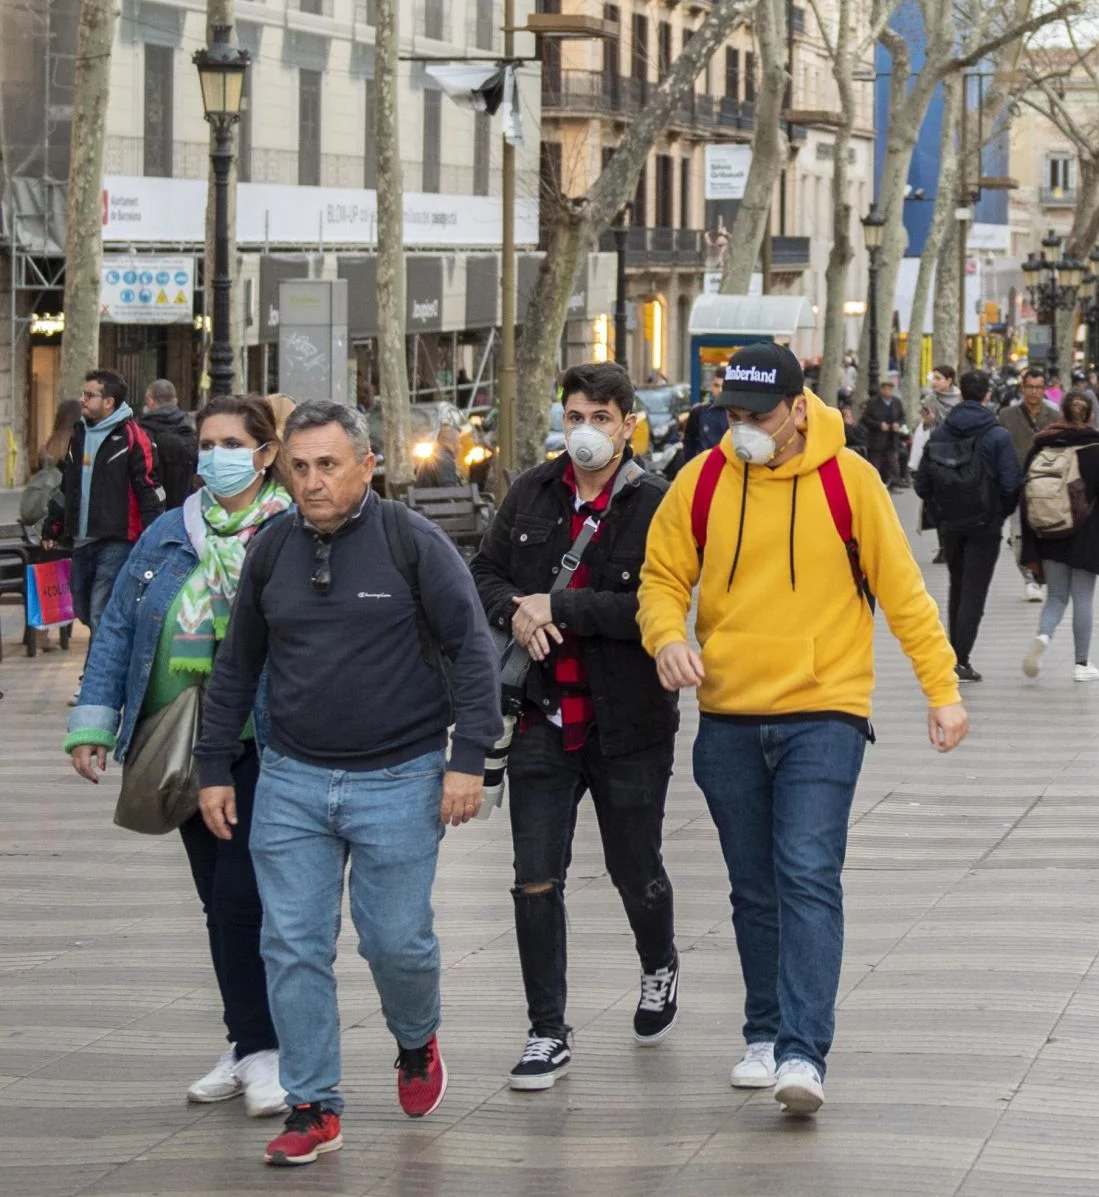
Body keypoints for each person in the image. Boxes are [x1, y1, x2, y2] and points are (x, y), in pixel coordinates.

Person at [638, 341, 966, 1116]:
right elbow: (661, 578)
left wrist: (941, 689)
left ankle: (802, 1051)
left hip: (827, 708)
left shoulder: (850, 480)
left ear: (796, 408)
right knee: (754, 887)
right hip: (728, 713)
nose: (742, 428)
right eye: (732, 415)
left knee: (807, 872)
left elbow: (904, 592)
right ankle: (764, 1029)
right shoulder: (704, 478)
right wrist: (668, 638)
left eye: (757, 415)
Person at [192, 400, 502, 1166]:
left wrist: (470, 758)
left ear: (367, 464)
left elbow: (472, 651)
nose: (312, 480)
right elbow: (237, 666)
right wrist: (211, 767)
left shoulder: (412, 542)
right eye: (299, 466)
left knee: (396, 941)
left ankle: (414, 1039)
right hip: (293, 777)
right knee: (292, 943)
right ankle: (312, 1103)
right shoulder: (271, 550)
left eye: (328, 464)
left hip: (400, 775)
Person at [67, 394, 295, 1117]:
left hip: (262, 743)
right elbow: (118, 632)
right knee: (216, 903)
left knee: (240, 897)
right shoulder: (170, 532)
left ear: (264, 453)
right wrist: (93, 724)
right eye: (205, 442)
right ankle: (246, 1040)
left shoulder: (290, 532)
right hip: (179, 742)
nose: (214, 455)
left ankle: (266, 1049)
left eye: (232, 441)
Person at [471, 363, 679, 1092]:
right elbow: (486, 573)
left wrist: (560, 608)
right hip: (540, 717)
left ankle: (659, 963)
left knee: (635, 870)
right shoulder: (531, 491)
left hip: (628, 721)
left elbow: (663, 606)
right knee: (534, 877)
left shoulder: (658, 502)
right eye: (574, 415)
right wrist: (516, 611)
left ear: (628, 423)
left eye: (599, 416)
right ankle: (546, 1029)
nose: (583, 429)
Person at [1017, 391, 1099, 681]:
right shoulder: (1098, 450)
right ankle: (1081, 664)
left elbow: (1025, 494)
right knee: (1083, 598)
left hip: (1050, 533)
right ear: (1092, 416)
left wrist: (1027, 544)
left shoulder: (1042, 445)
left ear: (1061, 413)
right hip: (1088, 537)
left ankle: (1042, 636)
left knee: (1056, 596)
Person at [915, 369, 1024, 681]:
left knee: (957, 586)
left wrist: (941, 510)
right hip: (985, 526)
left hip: (950, 524)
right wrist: (999, 514)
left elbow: (922, 484)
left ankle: (955, 655)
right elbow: (1010, 483)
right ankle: (961, 658)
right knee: (974, 591)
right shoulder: (997, 435)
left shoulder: (940, 433)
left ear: (961, 393)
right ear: (987, 395)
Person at [45, 369, 168, 644]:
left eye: (90, 395)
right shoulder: (79, 434)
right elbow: (68, 486)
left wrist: (153, 536)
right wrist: (52, 527)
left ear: (109, 401)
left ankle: (98, 679)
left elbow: (148, 488)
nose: (82, 400)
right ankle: (104, 667)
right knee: (84, 610)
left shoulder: (133, 436)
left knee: (101, 610)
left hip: (117, 540)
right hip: (82, 538)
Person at [20, 399, 83, 654]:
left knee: (47, 569)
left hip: (42, 531)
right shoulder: (75, 444)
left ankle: (40, 634)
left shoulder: (49, 445)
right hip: (61, 530)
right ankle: (53, 630)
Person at [999, 370, 1055, 602]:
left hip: (1046, 485)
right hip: (1016, 484)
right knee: (1018, 535)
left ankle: (1042, 573)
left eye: (1038, 387)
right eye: (1029, 387)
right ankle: (1029, 579)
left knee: (1045, 533)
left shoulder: (1054, 415)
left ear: (1045, 389)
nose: (1034, 392)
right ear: (1022, 388)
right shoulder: (1006, 415)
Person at [138, 377, 200, 503]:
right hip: (188, 504)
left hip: (156, 504)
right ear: (175, 401)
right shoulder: (191, 428)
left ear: (150, 401)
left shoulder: (143, 431)